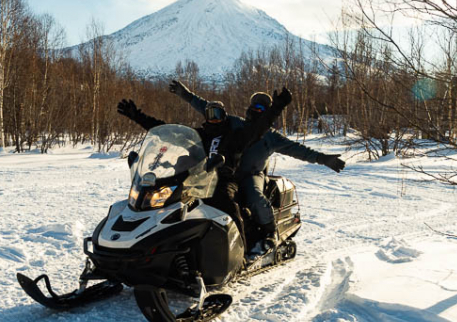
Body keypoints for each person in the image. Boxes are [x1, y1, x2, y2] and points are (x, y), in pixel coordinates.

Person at [169, 80, 345, 254]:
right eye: (254, 107)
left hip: (251, 174)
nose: (255, 111)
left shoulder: (271, 137)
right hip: (224, 173)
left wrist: (324, 159)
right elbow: (208, 108)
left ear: (268, 113)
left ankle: (269, 232)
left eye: (260, 109)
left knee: (254, 196)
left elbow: (298, 150)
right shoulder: (236, 123)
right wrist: (184, 94)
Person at [116, 87, 291, 248]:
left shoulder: (236, 136)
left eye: (218, 114)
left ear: (225, 116)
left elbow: (258, 128)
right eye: (210, 114)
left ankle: (240, 248)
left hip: (222, 181)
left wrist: (277, 107)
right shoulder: (198, 136)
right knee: (165, 207)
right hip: (195, 181)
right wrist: (137, 116)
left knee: (228, 205)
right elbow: (168, 133)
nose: (214, 119)